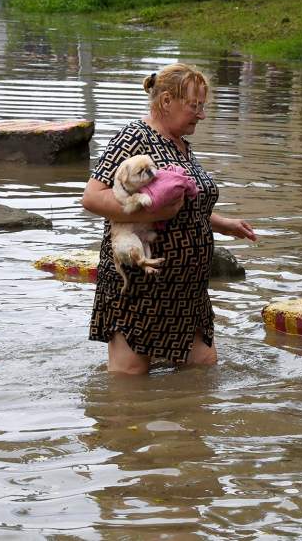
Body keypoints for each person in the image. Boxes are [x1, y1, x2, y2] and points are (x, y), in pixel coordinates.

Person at [80, 63, 257, 375]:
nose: (201, 115)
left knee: (202, 370)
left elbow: (186, 204)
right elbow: (93, 197)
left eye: (203, 106)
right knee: (128, 384)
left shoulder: (181, 145)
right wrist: (151, 211)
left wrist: (221, 223)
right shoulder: (134, 137)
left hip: (186, 292)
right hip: (140, 288)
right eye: (194, 106)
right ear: (165, 102)